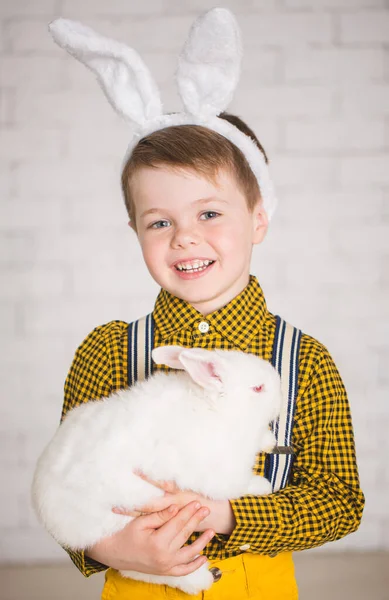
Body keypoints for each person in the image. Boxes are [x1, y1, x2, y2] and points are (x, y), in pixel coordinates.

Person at [50, 9, 364, 600]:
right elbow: (65, 480)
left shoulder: (305, 361)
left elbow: (339, 502)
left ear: (259, 218)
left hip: (257, 586)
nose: (185, 237)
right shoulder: (109, 351)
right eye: (159, 220)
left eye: (210, 213)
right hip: (137, 588)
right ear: (135, 231)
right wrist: (109, 547)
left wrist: (226, 514)